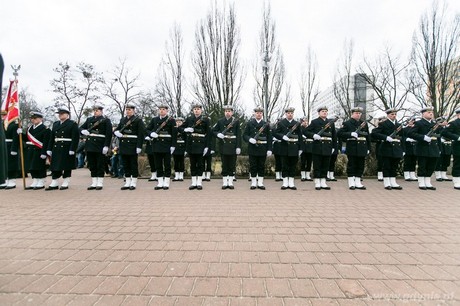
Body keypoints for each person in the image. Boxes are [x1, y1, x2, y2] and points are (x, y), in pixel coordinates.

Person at [45, 106, 80, 190]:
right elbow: (52, 137)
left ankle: (66, 181)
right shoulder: (56, 124)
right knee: (55, 165)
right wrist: (49, 148)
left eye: (62, 114)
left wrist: (73, 149)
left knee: (66, 165)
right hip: (56, 146)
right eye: (59, 114)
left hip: (66, 147)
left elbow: (75, 138)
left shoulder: (72, 124)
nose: (60, 115)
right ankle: (55, 181)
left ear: (67, 115)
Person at [407, 107, 442, 190]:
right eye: (428, 112)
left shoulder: (435, 124)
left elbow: (438, 138)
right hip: (423, 148)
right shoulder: (419, 123)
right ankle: (421, 182)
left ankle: (428, 181)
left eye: (431, 112)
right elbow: (410, 133)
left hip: (434, 148)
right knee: (422, 165)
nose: (431, 114)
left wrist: (439, 148)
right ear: (423, 114)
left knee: (431, 165)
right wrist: (423, 137)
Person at [79, 105, 113, 190]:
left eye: (97, 110)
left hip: (100, 144)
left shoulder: (106, 120)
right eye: (94, 110)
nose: (95, 112)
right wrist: (83, 131)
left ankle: (100, 182)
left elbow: (108, 134)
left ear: (101, 111)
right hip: (90, 144)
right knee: (92, 164)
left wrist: (106, 146)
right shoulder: (89, 120)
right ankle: (94, 182)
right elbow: (80, 128)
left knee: (100, 164)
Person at [337, 107, 371, 190]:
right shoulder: (347, 123)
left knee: (360, 165)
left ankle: (358, 182)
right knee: (352, 164)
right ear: (352, 114)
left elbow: (367, 136)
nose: (358, 115)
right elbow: (340, 133)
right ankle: (351, 182)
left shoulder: (364, 123)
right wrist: (350, 134)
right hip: (352, 146)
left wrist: (368, 147)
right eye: (356, 113)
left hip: (362, 146)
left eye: (359, 113)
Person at [305, 106, 337, 190]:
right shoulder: (315, 122)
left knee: (325, 165)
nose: (325, 112)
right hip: (317, 146)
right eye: (323, 111)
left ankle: (323, 181)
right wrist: (313, 135)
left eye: (326, 111)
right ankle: (317, 182)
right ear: (319, 113)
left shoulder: (331, 123)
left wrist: (334, 146)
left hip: (328, 146)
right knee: (317, 165)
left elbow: (334, 136)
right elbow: (306, 131)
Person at [180, 103, 211, 190]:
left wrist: (207, 146)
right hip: (191, 144)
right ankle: (193, 182)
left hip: (201, 144)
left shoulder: (206, 120)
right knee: (193, 164)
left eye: (198, 109)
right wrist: (186, 129)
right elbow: (180, 128)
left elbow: (208, 134)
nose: (196, 110)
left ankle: (199, 182)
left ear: (201, 110)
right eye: (195, 109)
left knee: (200, 164)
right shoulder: (189, 119)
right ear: (193, 110)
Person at [114, 103, 145, 190]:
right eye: (127, 110)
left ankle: (133, 182)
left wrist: (139, 146)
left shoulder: (138, 120)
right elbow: (118, 129)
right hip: (124, 144)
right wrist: (116, 132)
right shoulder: (123, 119)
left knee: (133, 164)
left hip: (133, 144)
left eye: (130, 110)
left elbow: (141, 134)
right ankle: (127, 182)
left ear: (133, 110)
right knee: (125, 164)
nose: (128, 111)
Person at [371, 108, 404, 190]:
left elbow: (402, 137)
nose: (394, 116)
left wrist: (403, 149)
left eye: (395, 114)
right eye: (392, 114)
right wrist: (385, 137)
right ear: (388, 115)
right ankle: (387, 183)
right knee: (387, 166)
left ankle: (393, 182)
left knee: (394, 166)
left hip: (396, 147)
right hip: (387, 147)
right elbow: (374, 133)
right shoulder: (383, 124)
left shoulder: (399, 125)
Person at [146, 104, 177, 190]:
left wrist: (173, 145)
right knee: (158, 164)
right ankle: (160, 182)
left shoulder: (171, 120)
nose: (162, 111)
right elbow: (147, 129)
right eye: (160, 109)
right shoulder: (154, 120)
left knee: (167, 164)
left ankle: (166, 182)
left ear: (167, 111)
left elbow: (174, 134)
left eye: (163, 109)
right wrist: (151, 133)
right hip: (156, 145)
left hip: (167, 145)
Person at [213, 105, 241, 190]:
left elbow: (238, 135)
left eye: (229, 111)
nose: (227, 113)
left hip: (232, 146)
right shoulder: (220, 121)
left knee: (232, 165)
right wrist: (218, 134)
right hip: (223, 145)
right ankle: (225, 182)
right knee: (224, 165)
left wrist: (238, 147)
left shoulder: (236, 121)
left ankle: (231, 182)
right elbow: (213, 131)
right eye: (226, 111)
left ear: (232, 112)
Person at [243, 106, 272, 190]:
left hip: (263, 147)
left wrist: (269, 149)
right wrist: (250, 139)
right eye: (257, 113)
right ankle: (253, 182)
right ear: (254, 114)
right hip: (253, 147)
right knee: (253, 166)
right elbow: (244, 135)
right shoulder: (250, 123)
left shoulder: (266, 124)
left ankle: (260, 182)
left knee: (261, 166)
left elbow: (269, 137)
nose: (259, 114)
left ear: (262, 114)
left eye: (260, 113)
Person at [274, 107, 302, 190]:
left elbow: (300, 136)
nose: (290, 114)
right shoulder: (281, 123)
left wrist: (301, 148)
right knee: (285, 165)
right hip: (284, 147)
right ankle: (285, 182)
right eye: (288, 113)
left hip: (294, 147)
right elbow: (275, 133)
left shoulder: (297, 123)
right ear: (286, 114)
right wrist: (282, 136)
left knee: (293, 165)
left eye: (291, 113)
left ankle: (291, 183)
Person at [24, 111, 50, 190]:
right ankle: (35, 180)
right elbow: (26, 139)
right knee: (31, 167)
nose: (33, 120)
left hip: (39, 150)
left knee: (39, 166)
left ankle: (41, 181)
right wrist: (20, 134)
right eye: (32, 118)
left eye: (35, 118)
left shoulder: (45, 129)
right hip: (30, 149)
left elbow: (46, 142)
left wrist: (44, 152)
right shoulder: (29, 128)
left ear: (40, 119)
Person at [441, 108, 460, 190]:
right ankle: (457, 181)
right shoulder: (454, 123)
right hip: (458, 146)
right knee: (458, 164)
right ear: (458, 115)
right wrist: (457, 137)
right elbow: (444, 132)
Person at [0, 117, 20, 189]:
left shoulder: (14, 125)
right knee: (4, 164)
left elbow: (15, 138)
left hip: (10, 146)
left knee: (11, 164)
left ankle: (12, 180)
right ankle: (4, 179)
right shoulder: (2, 124)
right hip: (2, 145)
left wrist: (14, 149)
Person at [172, 117, 186, 181]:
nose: (178, 123)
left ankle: (181, 175)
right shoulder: (173, 129)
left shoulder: (184, 130)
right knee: (176, 162)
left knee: (181, 161)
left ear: (182, 123)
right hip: (175, 147)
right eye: (177, 122)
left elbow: (186, 140)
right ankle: (176, 175)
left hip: (182, 147)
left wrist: (186, 149)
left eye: (180, 122)